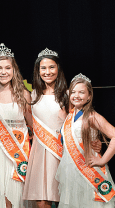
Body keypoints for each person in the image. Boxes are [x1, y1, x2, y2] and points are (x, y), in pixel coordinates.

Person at [0, 43, 33, 208]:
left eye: (7, 68)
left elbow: (33, 125)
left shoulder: (24, 94)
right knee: (1, 194)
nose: (3, 72)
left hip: (19, 149)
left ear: (13, 70)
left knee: (17, 193)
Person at [56, 73, 115, 208]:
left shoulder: (92, 116)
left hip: (88, 170)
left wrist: (103, 160)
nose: (76, 95)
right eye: (73, 92)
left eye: (82, 92)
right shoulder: (70, 116)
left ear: (89, 96)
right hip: (71, 170)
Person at [22, 48, 68, 208]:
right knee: (41, 201)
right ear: (38, 71)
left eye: (51, 67)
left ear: (58, 69)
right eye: (43, 68)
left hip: (61, 151)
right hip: (40, 152)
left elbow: (81, 123)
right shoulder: (32, 95)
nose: (47, 72)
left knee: (64, 197)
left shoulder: (68, 95)